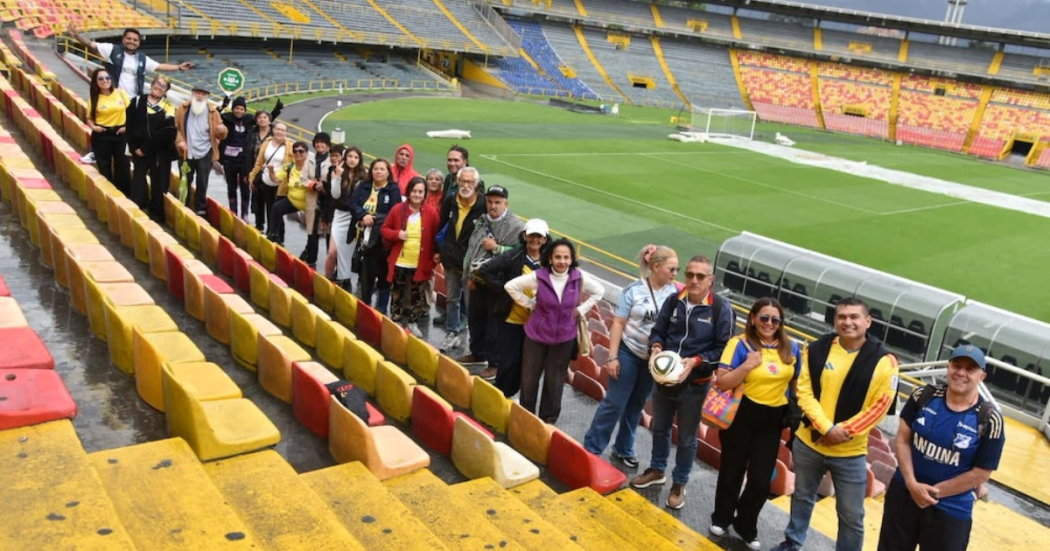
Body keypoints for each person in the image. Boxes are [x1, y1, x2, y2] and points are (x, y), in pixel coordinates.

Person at [771, 297, 899, 551]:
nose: (847, 322)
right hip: (809, 443)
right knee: (802, 497)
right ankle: (792, 543)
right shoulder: (816, 349)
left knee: (851, 515)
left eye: (854, 317)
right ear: (835, 320)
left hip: (850, 452)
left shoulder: (886, 361)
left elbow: (881, 405)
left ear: (868, 321)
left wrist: (844, 431)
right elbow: (804, 392)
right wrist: (827, 429)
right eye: (842, 317)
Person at [630, 254, 734, 511]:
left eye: (700, 276)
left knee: (687, 438)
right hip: (665, 379)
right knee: (660, 428)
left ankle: (679, 483)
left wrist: (696, 362)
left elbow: (723, 350)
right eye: (690, 274)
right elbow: (659, 332)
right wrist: (655, 347)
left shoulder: (720, 309)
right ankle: (657, 469)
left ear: (711, 279)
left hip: (695, 384)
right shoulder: (673, 300)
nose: (694, 280)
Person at [877, 345, 1004, 551]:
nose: (961, 373)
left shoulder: (990, 418)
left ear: (982, 376)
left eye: (970, 369)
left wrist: (933, 494)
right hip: (904, 495)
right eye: (957, 365)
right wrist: (911, 484)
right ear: (948, 366)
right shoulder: (922, 396)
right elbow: (902, 440)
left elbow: (981, 473)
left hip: (950, 509)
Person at [711, 298, 801, 550]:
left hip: (773, 420)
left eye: (775, 319)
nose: (769, 323)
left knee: (761, 480)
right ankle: (722, 517)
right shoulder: (738, 344)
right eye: (764, 318)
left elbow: (795, 385)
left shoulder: (791, 349)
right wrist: (748, 365)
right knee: (732, 470)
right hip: (741, 415)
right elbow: (722, 382)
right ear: (752, 318)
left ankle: (745, 523)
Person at [584, 245, 680, 468]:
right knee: (615, 403)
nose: (675, 274)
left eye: (677, 269)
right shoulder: (633, 290)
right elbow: (618, 324)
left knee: (636, 405)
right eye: (672, 269)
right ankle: (592, 447)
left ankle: (623, 447)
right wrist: (612, 357)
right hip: (628, 353)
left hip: (652, 361)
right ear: (656, 267)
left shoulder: (675, 293)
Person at [505, 239, 604, 424]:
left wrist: (581, 310)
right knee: (529, 380)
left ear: (572, 259)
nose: (562, 261)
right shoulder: (538, 276)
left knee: (555, 381)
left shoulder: (578, 277)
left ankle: (547, 421)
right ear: (550, 258)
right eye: (557, 257)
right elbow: (510, 286)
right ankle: (526, 417)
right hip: (536, 336)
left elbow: (599, 291)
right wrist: (530, 305)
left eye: (566, 257)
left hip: (564, 339)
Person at [476, 218, 549, 398]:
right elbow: (485, 270)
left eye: (539, 236)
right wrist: (504, 290)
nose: (535, 240)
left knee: (527, 363)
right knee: (508, 360)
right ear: (524, 236)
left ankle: (513, 395)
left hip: (536, 324)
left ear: (545, 239)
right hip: (512, 319)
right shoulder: (514, 255)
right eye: (531, 235)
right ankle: (501, 395)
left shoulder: (549, 261)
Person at [458, 185, 525, 376]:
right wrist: (470, 275)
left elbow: (519, 253)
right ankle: (478, 353)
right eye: (490, 201)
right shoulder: (481, 220)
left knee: (495, 325)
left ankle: (495, 363)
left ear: (506, 203)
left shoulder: (516, 226)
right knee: (476, 318)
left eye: (497, 202)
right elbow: (472, 248)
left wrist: (497, 248)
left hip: (498, 284)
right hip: (477, 280)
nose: (493, 206)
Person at [381, 177, 440, 336]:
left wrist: (434, 258)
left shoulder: (431, 213)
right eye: (414, 191)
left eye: (421, 191)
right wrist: (397, 234)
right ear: (408, 192)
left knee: (418, 295)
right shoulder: (397, 209)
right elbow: (385, 229)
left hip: (419, 264)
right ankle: (396, 320)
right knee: (397, 293)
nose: (417, 194)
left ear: (425, 194)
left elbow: (436, 237)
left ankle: (413, 323)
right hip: (400, 261)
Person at [437, 167, 485, 351]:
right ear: (457, 181)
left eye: (470, 182)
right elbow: (442, 227)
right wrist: (439, 249)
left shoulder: (483, 205)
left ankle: (476, 340)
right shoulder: (450, 200)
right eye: (463, 181)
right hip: (450, 258)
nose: (466, 185)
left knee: (472, 303)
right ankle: (452, 333)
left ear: (476, 184)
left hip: (471, 264)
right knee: (452, 299)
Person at [69, 26, 192, 97]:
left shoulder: (142, 58)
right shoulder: (112, 50)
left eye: (135, 40)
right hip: (113, 98)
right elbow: (91, 44)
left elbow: (159, 66)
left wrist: (179, 67)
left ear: (139, 43)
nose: (132, 42)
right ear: (123, 39)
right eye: (129, 39)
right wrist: (76, 36)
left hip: (133, 101)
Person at [349, 158, 401, 314]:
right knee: (366, 272)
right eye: (375, 169)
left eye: (382, 169)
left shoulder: (393, 189)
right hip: (364, 237)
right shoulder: (364, 186)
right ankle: (365, 307)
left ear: (388, 172)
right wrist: (363, 215)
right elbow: (352, 203)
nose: (378, 172)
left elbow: (394, 212)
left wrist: (374, 219)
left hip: (383, 239)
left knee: (384, 274)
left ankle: (381, 309)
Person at [125, 74, 177, 223]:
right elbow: (130, 126)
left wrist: (147, 148)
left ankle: (157, 216)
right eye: (157, 84)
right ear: (152, 83)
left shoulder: (168, 105)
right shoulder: (136, 102)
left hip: (159, 151)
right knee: (139, 180)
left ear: (166, 90)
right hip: (139, 150)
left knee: (159, 183)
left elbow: (167, 131)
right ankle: (137, 213)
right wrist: (135, 147)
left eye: (163, 86)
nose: (159, 88)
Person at [175, 85, 228, 216]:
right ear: (192, 94)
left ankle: (200, 207)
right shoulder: (182, 109)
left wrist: (222, 131)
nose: (199, 96)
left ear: (207, 97)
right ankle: (183, 204)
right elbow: (175, 127)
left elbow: (220, 134)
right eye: (197, 93)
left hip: (205, 151)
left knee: (202, 181)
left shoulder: (213, 112)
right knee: (185, 179)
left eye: (203, 94)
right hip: (186, 151)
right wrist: (180, 141)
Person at [324, 145, 366, 289]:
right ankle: (327, 280)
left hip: (354, 217)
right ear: (345, 157)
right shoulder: (336, 171)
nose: (352, 160)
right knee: (332, 252)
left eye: (355, 157)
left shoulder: (363, 177)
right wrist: (337, 177)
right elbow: (334, 195)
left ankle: (344, 280)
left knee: (346, 253)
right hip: (339, 214)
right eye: (350, 156)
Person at [88, 67, 131, 195]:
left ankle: (125, 194)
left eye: (107, 78)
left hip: (120, 133)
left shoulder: (120, 93)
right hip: (102, 134)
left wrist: (127, 127)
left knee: (123, 165)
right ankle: (108, 195)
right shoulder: (94, 98)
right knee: (104, 167)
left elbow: (131, 113)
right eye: (100, 78)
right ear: (96, 82)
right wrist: (94, 127)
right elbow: (89, 118)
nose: (105, 80)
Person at [266, 141, 315, 245]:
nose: (298, 153)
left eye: (301, 151)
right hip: (293, 200)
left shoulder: (312, 168)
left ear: (307, 153)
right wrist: (271, 170)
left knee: (312, 231)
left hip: (309, 204)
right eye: (295, 151)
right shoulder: (289, 167)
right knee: (276, 208)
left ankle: (309, 251)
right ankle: (274, 235)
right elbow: (275, 179)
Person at [248, 122, 293, 234]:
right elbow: (259, 162)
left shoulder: (290, 146)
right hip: (266, 181)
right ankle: (270, 232)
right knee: (269, 207)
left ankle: (278, 235)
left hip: (280, 183)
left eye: (282, 130)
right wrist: (252, 176)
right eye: (277, 129)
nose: (279, 132)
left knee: (277, 209)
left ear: (286, 132)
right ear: (273, 130)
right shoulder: (267, 143)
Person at [245, 104, 283, 230]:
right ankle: (259, 224)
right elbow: (248, 154)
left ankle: (272, 228)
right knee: (257, 198)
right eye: (259, 117)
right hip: (255, 170)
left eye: (265, 117)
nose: (262, 120)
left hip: (271, 171)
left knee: (272, 201)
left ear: (269, 119)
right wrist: (248, 173)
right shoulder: (252, 133)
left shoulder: (275, 133)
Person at [217, 96, 252, 220]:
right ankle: (233, 212)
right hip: (229, 160)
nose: (239, 111)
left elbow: (264, 121)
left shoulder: (249, 120)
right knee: (231, 187)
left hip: (244, 161)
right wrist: (223, 105)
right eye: (237, 108)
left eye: (242, 109)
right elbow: (214, 116)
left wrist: (275, 112)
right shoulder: (227, 118)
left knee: (245, 188)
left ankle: (245, 214)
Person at [301, 132, 332, 267]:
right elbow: (303, 179)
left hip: (328, 203)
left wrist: (323, 185)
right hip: (313, 201)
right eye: (317, 142)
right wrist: (313, 184)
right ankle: (311, 262)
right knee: (312, 234)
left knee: (329, 235)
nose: (320, 145)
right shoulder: (310, 159)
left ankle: (330, 266)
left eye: (323, 142)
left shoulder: (333, 160)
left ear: (328, 145)